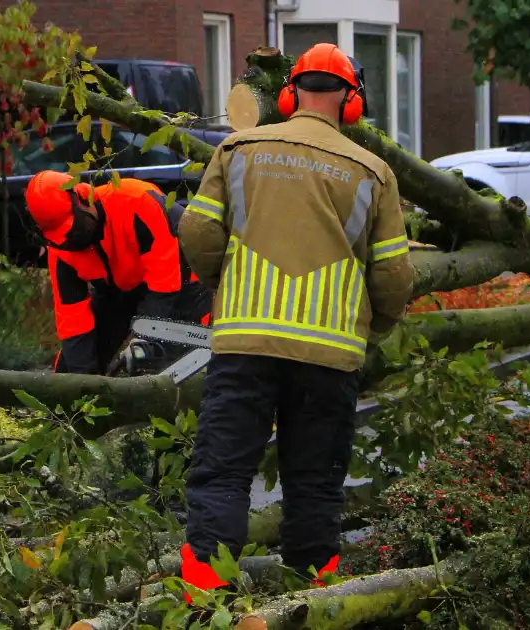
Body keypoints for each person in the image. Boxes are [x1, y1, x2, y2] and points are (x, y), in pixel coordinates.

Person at [174, 42, 415, 594]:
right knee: (314, 485)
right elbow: (394, 276)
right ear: (352, 103)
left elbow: (198, 231)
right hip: (329, 356)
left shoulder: (238, 149)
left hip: (244, 344)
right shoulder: (372, 171)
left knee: (222, 474)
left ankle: (202, 603)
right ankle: (310, 602)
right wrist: (373, 325)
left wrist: (223, 284)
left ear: (289, 94)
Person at [24, 171, 213, 375]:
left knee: (173, 361)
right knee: (71, 364)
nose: (72, 240)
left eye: (74, 229)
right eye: (64, 237)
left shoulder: (136, 202)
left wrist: (145, 339)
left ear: (82, 196)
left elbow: (164, 281)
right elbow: (72, 319)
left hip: (179, 278)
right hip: (118, 288)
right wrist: (82, 382)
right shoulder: (62, 249)